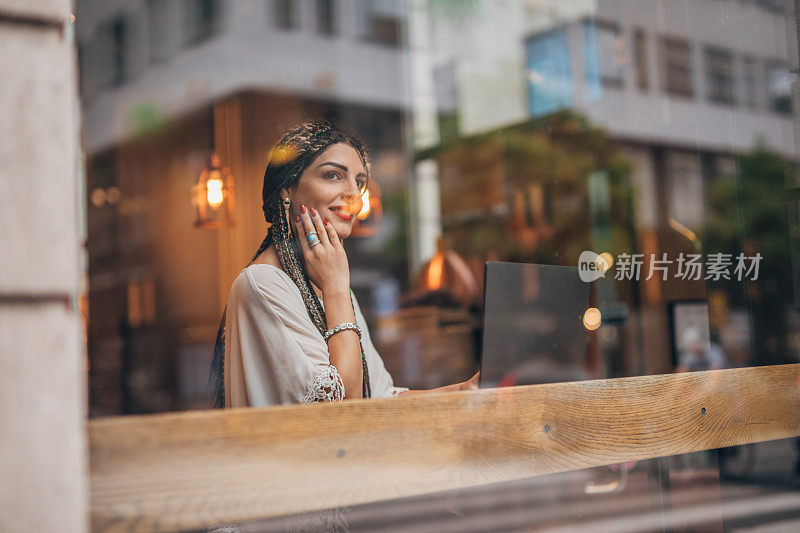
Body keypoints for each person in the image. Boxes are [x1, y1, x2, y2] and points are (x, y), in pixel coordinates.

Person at [207, 121, 479, 408]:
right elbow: (346, 411)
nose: (354, 195)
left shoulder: (328, 283)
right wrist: (337, 287)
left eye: (359, 182)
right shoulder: (263, 284)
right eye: (333, 175)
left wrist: (463, 391)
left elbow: (377, 395)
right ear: (287, 188)